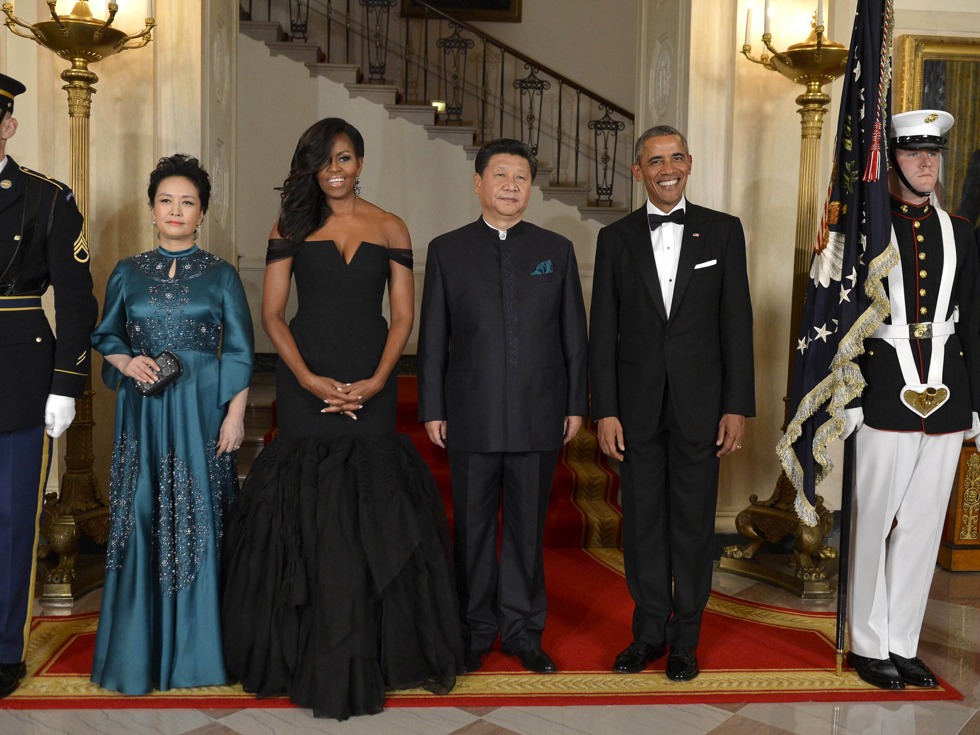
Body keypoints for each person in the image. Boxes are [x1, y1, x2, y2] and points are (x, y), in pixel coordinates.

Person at [221, 117, 462, 721]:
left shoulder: (391, 226)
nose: (335, 169)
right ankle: (305, 645)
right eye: (324, 159)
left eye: (345, 157)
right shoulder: (290, 225)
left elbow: (402, 317)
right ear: (311, 166)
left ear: (360, 163)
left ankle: (374, 647)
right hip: (307, 377)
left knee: (367, 502)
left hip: (371, 375)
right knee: (308, 502)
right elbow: (272, 315)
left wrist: (379, 380)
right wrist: (305, 379)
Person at [589, 125, 755, 681]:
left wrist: (736, 405)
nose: (668, 169)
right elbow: (602, 333)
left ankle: (686, 639)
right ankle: (647, 635)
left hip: (701, 407)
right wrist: (605, 409)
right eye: (656, 161)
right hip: (635, 408)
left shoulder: (723, 231)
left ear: (690, 163)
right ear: (638, 171)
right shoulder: (614, 239)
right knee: (642, 525)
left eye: (676, 157)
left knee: (692, 527)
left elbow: (737, 324)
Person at [417, 138, 589, 675]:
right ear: (478, 183)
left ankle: (522, 631)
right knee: (471, 530)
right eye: (500, 175)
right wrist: (432, 406)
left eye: (521, 177)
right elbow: (434, 339)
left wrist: (575, 402)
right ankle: (474, 630)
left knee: (526, 530)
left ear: (530, 187)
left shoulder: (556, 250)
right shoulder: (447, 250)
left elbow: (574, 336)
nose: (511, 185)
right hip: (471, 412)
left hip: (540, 411)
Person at [89, 154, 254, 694]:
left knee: (199, 513)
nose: (176, 210)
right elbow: (107, 334)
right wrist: (125, 362)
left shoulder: (222, 274)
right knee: (140, 510)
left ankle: (199, 654)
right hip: (144, 411)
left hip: (203, 411)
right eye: (166, 201)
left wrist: (235, 416)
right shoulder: (127, 271)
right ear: (152, 208)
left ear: (202, 212)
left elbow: (240, 351)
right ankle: (138, 652)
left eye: (188, 202)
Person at [841, 110, 980, 690]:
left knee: (922, 527)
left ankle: (902, 642)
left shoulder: (961, 231)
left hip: (947, 394)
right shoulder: (864, 230)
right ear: (890, 161)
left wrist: (977, 403)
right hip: (882, 391)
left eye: (934, 153)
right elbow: (842, 315)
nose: (927, 163)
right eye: (913, 152)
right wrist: (847, 394)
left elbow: (973, 321)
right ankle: (867, 643)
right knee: (872, 521)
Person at [0, 73, 97, 700]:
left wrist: (66, 383)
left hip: (19, 376)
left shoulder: (47, 198)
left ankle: (4, 650)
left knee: (11, 519)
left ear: (8, 125)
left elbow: (78, 300)